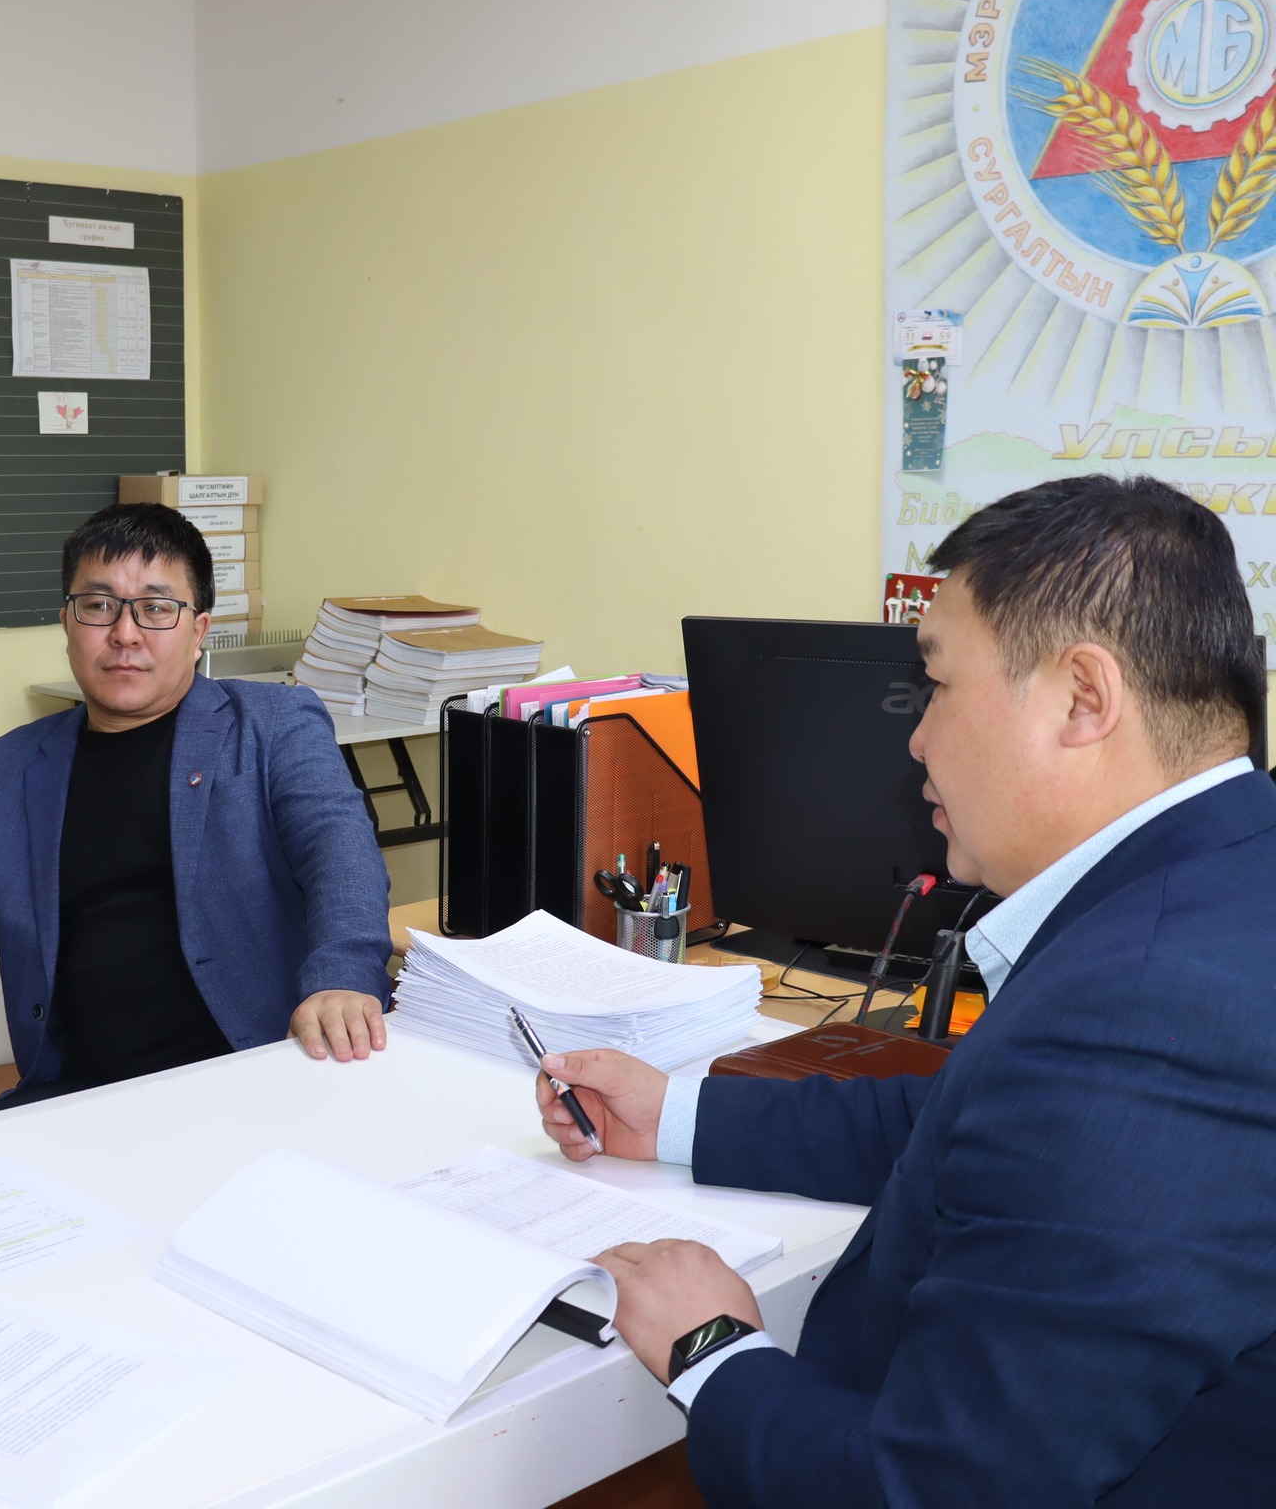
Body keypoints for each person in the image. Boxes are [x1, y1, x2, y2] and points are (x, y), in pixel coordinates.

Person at [535, 475, 1276, 1504]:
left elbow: (936, 1490)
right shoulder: (1225, 878)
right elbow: (979, 1117)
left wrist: (712, 1350)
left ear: (1083, 698)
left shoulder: (1147, 1009)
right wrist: (675, 1117)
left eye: (936, 683)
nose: (917, 737)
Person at [0, 502, 392, 1119]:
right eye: (99, 606)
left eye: (156, 608)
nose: (125, 633)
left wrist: (342, 974)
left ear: (199, 631)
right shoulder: (8, 770)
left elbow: (341, 854)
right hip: (78, 1101)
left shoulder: (272, 725)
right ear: (67, 623)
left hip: (261, 1075)